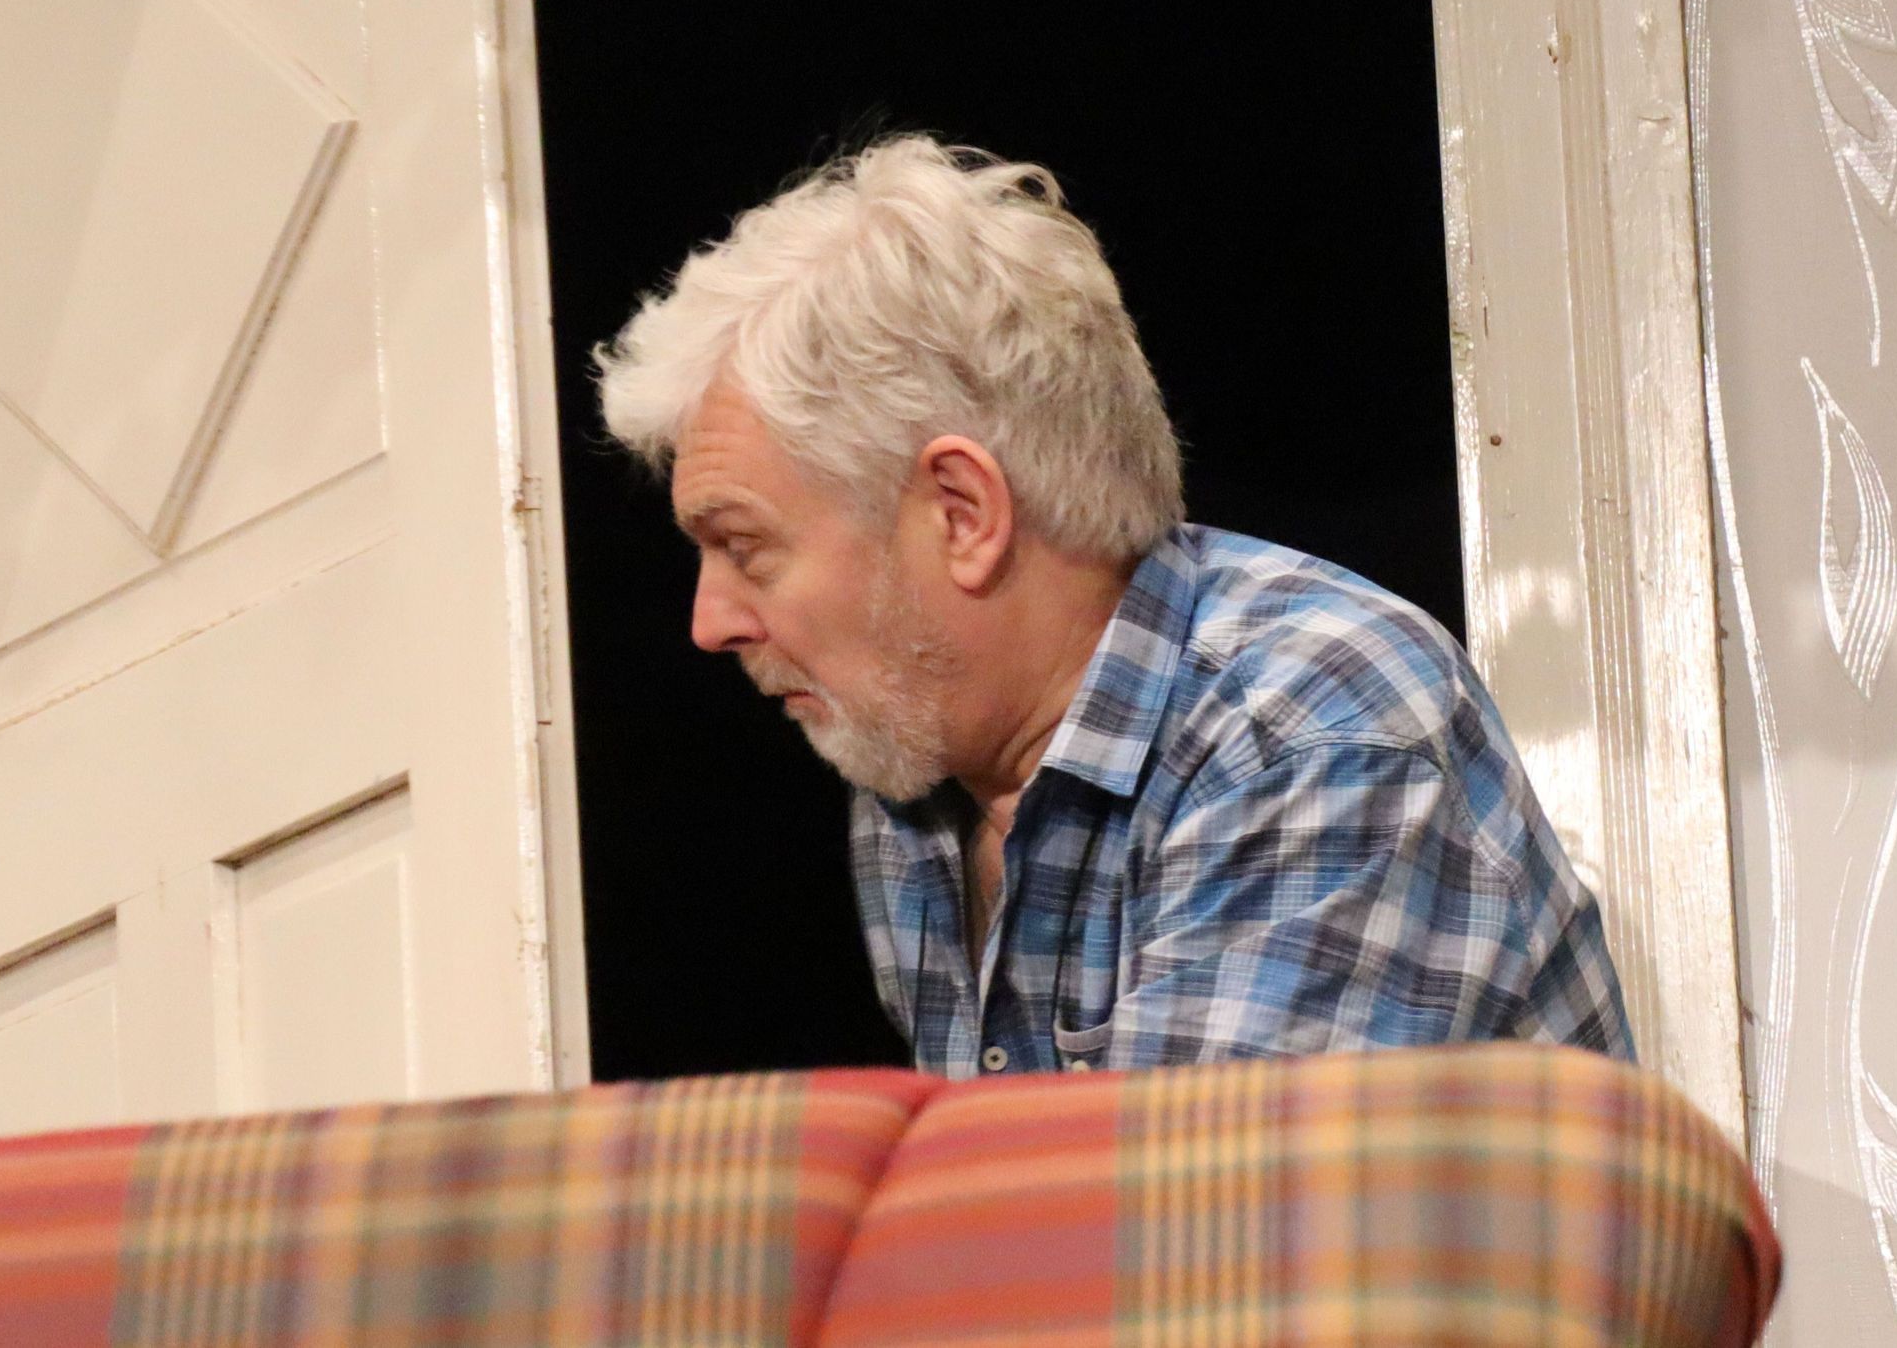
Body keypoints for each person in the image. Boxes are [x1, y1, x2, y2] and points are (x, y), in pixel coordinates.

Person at [598, 134, 1635, 1078]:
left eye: (744, 547)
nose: (709, 621)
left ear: (962, 512)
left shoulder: (1309, 727)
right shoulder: (916, 786)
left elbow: (1179, 1218)